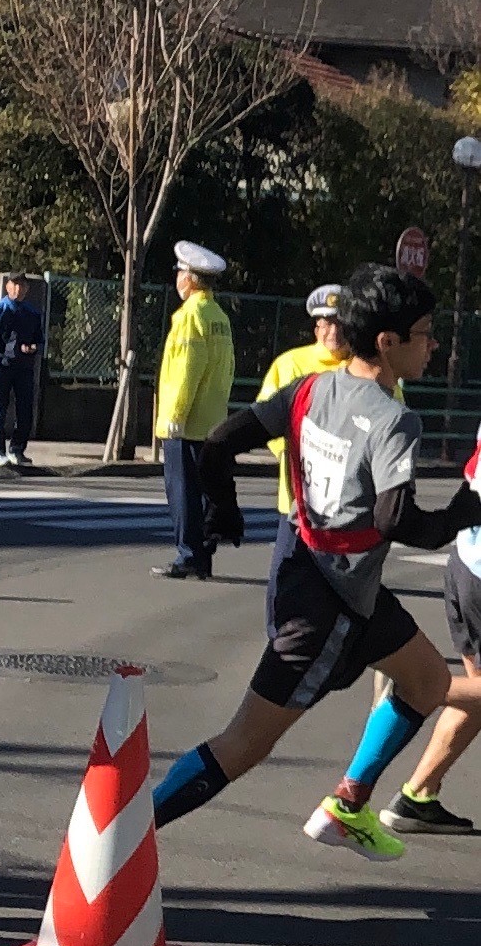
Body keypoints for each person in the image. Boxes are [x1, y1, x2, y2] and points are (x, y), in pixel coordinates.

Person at [152, 263, 481, 860]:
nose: (435, 346)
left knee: (429, 681)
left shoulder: (313, 388)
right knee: (244, 743)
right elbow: (394, 520)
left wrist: (224, 516)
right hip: (327, 612)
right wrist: (463, 511)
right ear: (388, 342)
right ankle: (120, 834)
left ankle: (347, 806)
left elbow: (223, 440)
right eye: (427, 333)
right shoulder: (394, 419)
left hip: (321, 576)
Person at [378, 422, 481, 834]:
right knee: (472, 690)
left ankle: (418, 794)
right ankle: (422, 686)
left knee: (478, 694)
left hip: (468, 563)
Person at [151, 242, 235, 580]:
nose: (178, 280)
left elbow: (186, 370)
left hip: (185, 422)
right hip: (212, 418)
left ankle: (188, 555)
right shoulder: (219, 317)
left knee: (182, 491)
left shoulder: (189, 318)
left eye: (180, 274)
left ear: (190, 278)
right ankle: (202, 555)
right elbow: (226, 368)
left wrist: (175, 415)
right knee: (202, 490)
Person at [257, 284, 350, 517]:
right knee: (288, 553)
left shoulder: (364, 365)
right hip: (297, 496)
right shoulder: (290, 364)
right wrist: (285, 452)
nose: (333, 332)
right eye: (327, 324)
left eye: (340, 324)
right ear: (317, 328)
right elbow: (264, 416)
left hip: (347, 499)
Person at [0, 271, 44, 467]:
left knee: (25, 410)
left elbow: (39, 341)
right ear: (7, 287)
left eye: (22, 285)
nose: (18, 289)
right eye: (14, 285)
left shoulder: (32, 314)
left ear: (27, 289)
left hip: (24, 368)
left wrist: (32, 348)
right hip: (2, 367)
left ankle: (17, 449)